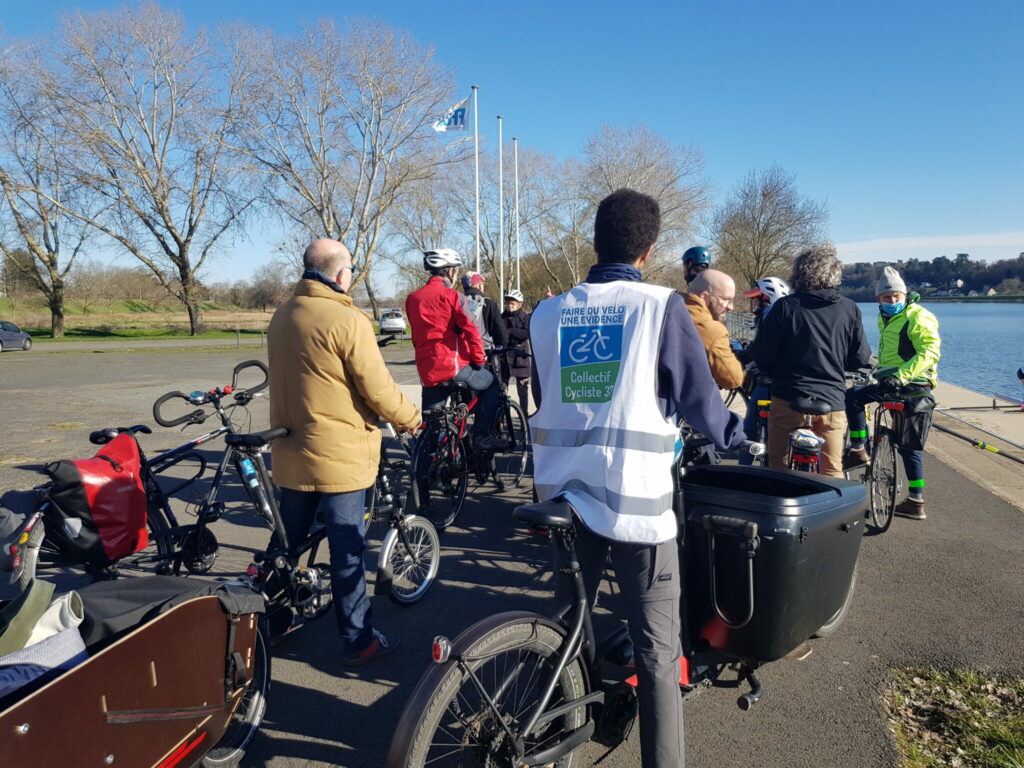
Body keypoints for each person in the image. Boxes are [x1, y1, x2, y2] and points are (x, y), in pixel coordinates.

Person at [530, 188, 745, 768]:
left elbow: (545, 395)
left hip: (562, 494)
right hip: (635, 505)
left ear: (595, 241)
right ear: (648, 250)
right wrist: (733, 435)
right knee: (656, 652)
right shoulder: (659, 306)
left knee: (564, 627)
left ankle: (544, 733)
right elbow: (700, 402)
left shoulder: (547, 312)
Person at [268, 239, 421, 665]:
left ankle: (271, 618)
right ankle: (358, 638)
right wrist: (410, 417)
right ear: (339, 274)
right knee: (347, 550)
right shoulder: (347, 319)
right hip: (339, 455)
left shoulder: (282, 315)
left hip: (291, 451)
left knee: (286, 542)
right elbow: (377, 388)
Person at [748, 246, 871, 477]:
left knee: (779, 469)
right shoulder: (849, 309)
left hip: (788, 396)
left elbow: (763, 354)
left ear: (798, 273)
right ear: (835, 275)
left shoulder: (784, 307)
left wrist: (770, 370)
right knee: (832, 471)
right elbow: (860, 358)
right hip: (831, 400)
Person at [844, 267, 941, 519]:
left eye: (897, 296)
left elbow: (929, 353)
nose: (892, 301)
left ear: (905, 295)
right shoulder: (884, 317)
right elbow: (888, 354)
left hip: (914, 383)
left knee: (909, 443)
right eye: (886, 298)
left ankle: (916, 500)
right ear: (878, 299)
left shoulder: (918, 316)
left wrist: (901, 376)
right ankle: (859, 448)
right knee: (853, 397)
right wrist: (874, 371)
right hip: (889, 381)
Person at [405, 248, 502, 448]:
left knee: (433, 423)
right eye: (455, 270)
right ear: (449, 271)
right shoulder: (454, 296)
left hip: (428, 370)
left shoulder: (413, 299)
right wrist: (479, 360)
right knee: (492, 385)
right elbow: (471, 331)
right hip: (453, 366)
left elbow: (416, 336)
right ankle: (483, 437)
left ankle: (428, 466)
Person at [737, 277, 791, 465]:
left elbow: (761, 349)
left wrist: (742, 356)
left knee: (750, 427)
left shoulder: (769, 316)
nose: (753, 303)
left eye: (756, 299)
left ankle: (743, 469)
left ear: (767, 299)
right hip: (787, 383)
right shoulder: (786, 315)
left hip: (769, 382)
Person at [683, 269, 743, 390]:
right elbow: (733, 379)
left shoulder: (670, 309)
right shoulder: (712, 330)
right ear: (704, 297)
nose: (731, 307)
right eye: (726, 299)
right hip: (690, 404)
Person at [500, 288, 531, 413]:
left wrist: (509, 332)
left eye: (512, 304)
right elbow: (497, 332)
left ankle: (524, 415)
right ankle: (501, 416)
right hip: (504, 357)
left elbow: (526, 333)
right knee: (501, 389)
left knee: (522, 390)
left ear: (519, 304)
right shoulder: (502, 317)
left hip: (520, 358)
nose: (509, 306)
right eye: (507, 303)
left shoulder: (525, 317)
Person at [460, 271, 509, 350]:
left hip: (461, 350)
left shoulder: (457, 301)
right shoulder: (489, 304)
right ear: (479, 286)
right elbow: (501, 333)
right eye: (482, 284)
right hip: (483, 350)